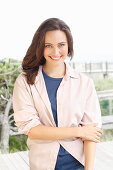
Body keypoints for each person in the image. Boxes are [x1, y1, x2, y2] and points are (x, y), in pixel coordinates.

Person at [13, 18, 103, 170]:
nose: (55, 52)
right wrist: (79, 131)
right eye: (48, 46)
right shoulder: (25, 82)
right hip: (42, 164)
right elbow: (32, 129)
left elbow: (91, 133)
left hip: (78, 164)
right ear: (40, 47)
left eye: (61, 45)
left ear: (69, 46)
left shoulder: (84, 83)